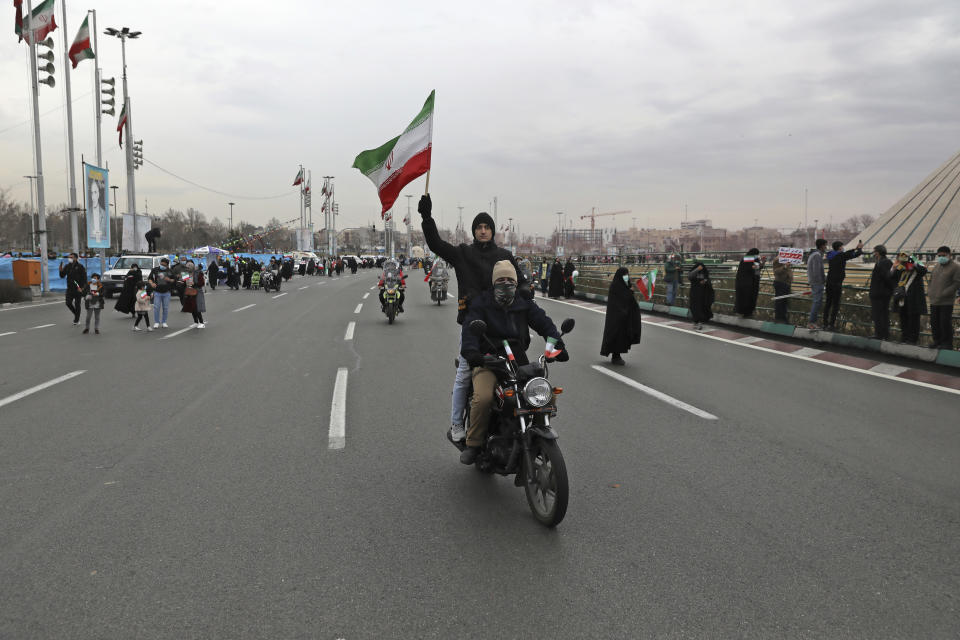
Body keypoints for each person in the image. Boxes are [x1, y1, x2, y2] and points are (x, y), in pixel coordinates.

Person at [418, 194, 526, 444]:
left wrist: (527, 293)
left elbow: (521, 282)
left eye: (487, 227)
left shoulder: (505, 256)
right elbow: (436, 244)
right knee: (464, 374)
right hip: (474, 327)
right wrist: (427, 218)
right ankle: (457, 423)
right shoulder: (463, 253)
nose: (483, 231)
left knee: (521, 375)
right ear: (474, 231)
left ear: (493, 230)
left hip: (504, 326)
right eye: (479, 227)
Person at [459, 261, 567, 464]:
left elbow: (544, 323)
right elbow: (469, 329)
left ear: (516, 283)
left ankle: (535, 434)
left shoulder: (523, 303)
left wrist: (557, 345)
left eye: (510, 280)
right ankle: (473, 444)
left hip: (517, 359)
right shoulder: (481, 303)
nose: (506, 283)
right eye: (501, 280)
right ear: (494, 282)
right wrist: (473, 352)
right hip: (489, 360)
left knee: (545, 395)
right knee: (482, 398)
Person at [600, 267, 641, 365]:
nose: (627, 277)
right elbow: (621, 300)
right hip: (616, 317)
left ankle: (617, 355)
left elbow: (628, 299)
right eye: (624, 274)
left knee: (622, 336)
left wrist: (630, 291)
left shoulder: (625, 285)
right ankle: (616, 356)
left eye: (627, 274)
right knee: (616, 335)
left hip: (624, 316)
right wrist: (629, 292)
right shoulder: (616, 286)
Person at [822, 239, 863, 330]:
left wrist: (855, 248)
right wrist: (859, 249)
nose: (843, 248)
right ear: (840, 247)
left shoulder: (831, 255)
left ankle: (825, 323)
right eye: (842, 246)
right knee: (836, 304)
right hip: (837, 283)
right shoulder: (841, 256)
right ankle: (831, 325)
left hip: (829, 281)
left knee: (828, 303)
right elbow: (853, 255)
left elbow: (847, 254)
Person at [927, 246, 960, 349]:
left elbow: (956, 283)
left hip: (946, 301)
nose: (941, 257)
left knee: (944, 322)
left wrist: (945, 293)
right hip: (934, 300)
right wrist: (930, 291)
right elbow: (931, 280)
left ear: (949, 255)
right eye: (939, 255)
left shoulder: (956, 267)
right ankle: (937, 341)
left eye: (943, 255)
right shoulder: (937, 266)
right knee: (934, 322)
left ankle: (947, 344)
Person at [892, 253, 927, 344]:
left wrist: (913, 262)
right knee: (903, 318)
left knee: (914, 319)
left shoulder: (916, 267)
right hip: (902, 297)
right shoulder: (901, 268)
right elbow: (892, 277)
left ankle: (912, 340)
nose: (904, 260)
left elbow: (923, 270)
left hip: (914, 298)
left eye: (905, 258)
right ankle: (904, 338)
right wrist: (895, 266)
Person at [868, 245, 894, 340]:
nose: (874, 254)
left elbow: (886, 277)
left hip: (880, 293)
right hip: (881, 292)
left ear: (878, 252)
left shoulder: (884, 262)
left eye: (874, 252)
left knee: (880, 315)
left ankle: (881, 334)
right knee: (881, 314)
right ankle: (882, 334)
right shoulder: (883, 262)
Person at [734, 248, 764, 317]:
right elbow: (754, 268)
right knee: (747, 298)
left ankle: (744, 312)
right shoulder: (749, 258)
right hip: (747, 283)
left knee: (744, 298)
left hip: (744, 283)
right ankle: (746, 313)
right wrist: (761, 263)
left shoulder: (749, 258)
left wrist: (760, 263)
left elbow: (755, 269)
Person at [59, 252, 87, 326]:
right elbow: (62, 276)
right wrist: (60, 270)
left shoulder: (80, 267)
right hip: (70, 288)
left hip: (78, 288)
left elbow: (84, 279)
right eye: (69, 257)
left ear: (76, 258)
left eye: (71, 257)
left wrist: (82, 288)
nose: (70, 259)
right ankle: (77, 314)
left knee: (77, 304)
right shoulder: (67, 266)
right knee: (68, 303)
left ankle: (76, 319)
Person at [147, 257, 175, 329]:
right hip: (157, 292)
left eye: (164, 265)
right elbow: (150, 278)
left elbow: (174, 280)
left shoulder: (170, 271)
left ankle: (164, 322)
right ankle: (156, 322)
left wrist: (169, 279)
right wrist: (152, 283)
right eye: (161, 264)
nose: (162, 266)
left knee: (165, 308)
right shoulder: (155, 270)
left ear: (167, 265)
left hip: (167, 292)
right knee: (156, 307)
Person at [806, 239, 827, 329]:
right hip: (817, 282)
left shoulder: (814, 254)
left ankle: (812, 322)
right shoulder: (817, 255)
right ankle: (812, 322)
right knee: (817, 302)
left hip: (815, 281)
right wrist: (822, 281)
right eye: (825, 245)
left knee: (817, 302)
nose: (826, 247)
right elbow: (817, 271)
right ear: (822, 246)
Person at [688, 261, 714, 330]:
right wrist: (697, 269)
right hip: (694, 293)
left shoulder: (704, 272)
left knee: (701, 308)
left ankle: (700, 322)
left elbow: (707, 279)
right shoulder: (695, 271)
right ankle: (695, 322)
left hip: (702, 294)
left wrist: (705, 281)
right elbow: (690, 276)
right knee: (694, 307)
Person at [181, 260, 207, 328]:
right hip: (189, 291)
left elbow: (202, 283)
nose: (187, 269)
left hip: (197, 291)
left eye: (188, 268)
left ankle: (201, 322)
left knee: (197, 307)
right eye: (186, 268)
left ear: (192, 267)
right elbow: (184, 282)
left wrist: (194, 283)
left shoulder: (198, 273)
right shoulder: (185, 273)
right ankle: (195, 322)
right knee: (191, 307)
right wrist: (181, 281)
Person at [771, 256, 793, 323]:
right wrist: (785, 266)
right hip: (780, 283)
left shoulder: (786, 259)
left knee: (784, 302)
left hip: (786, 283)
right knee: (780, 302)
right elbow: (776, 271)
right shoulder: (777, 259)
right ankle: (779, 318)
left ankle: (783, 318)